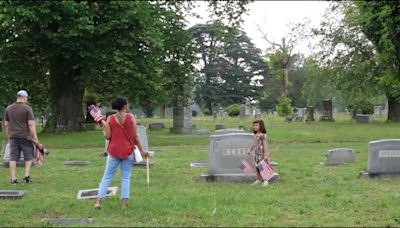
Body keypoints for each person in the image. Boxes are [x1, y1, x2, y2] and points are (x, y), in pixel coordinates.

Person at [94, 96, 148, 209]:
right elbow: (135, 137)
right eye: (127, 104)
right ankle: (123, 204)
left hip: (113, 151)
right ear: (124, 106)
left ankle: (98, 202)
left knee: (107, 177)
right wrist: (142, 151)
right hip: (128, 151)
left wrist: (104, 129)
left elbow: (108, 136)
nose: (128, 105)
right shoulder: (131, 118)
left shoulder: (110, 119)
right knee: (125, 178)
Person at [4, 90, 40, 184]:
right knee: (28, 157)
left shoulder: (9, 108)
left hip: (13, 136)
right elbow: (31, 124)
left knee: (13, 158)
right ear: (24, 98)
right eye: (26, 98)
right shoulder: (27, 108)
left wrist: (8, 135)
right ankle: (26, 176)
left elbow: (6, 124)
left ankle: (13, 179)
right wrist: (35, 138)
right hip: (25, 137)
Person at [247, 119, 270, 187]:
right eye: (254, 125)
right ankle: (258, 180)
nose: (255, 127)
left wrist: (266, 154)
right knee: (257, 167)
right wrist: (250, 150)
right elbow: (254, 144)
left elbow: (265, 145)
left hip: (262, 154)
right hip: (256, 154)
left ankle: (265, 180)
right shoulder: (256, 135)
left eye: (256, 125)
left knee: (263, 167)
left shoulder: (263, 135)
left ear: (261, 126)